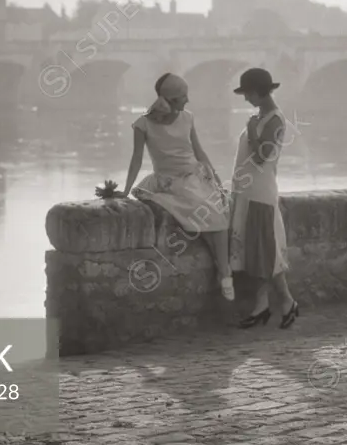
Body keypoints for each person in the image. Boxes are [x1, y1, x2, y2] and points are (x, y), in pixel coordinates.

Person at [119, 73, 234, 300]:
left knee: (218, 212)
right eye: (183, 96)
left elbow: (199, 152)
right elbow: (136, 159)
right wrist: (124, 191)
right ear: (171, 100)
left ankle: (224, 272)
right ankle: (225, 272)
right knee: (210, 214)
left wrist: (216, 178)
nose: (187, 100)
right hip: (169, 182)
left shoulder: (187, 118)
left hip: (195, 177)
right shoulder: (143, 125)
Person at [228, 67, 299, 329]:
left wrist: (253, 132)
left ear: (259, 92)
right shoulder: (260, 116)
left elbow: (262, 157)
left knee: (264, 252)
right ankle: (263, 306)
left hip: (260, 192)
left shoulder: (275, 120)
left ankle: (286, 301)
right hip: (247, 191)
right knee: (254, 252)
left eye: (247, 93)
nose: (246, 98)